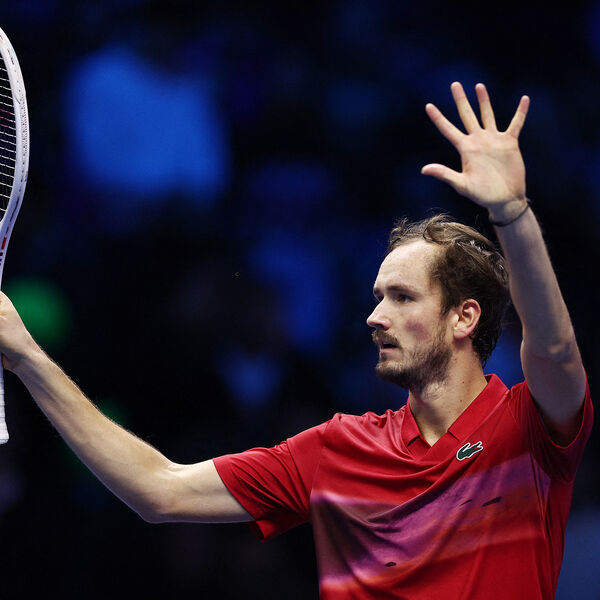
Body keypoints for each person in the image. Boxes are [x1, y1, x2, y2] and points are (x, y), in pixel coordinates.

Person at [0, 82, 592, 599]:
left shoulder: (527, 430)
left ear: (464, 318)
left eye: (402, 297)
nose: (374, 317)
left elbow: (555, 349)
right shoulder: (339, 448)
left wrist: (512, 213)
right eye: (377, 296)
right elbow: (159, 491)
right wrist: (27, 356)